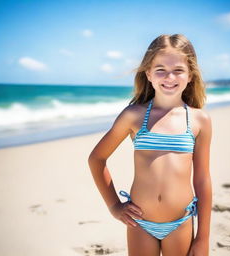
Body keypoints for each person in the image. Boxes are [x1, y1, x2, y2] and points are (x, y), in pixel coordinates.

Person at [88, 34, 212, 256]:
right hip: (140, 223)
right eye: (161, 69)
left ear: (190, 74)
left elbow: (202, 179)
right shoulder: (133, 116)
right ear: (148, 74)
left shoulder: (199, 120)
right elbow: (96, 159)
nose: (169, 76)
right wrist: (115, 206)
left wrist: (202, 238)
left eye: (178, 70)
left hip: (180, 222)